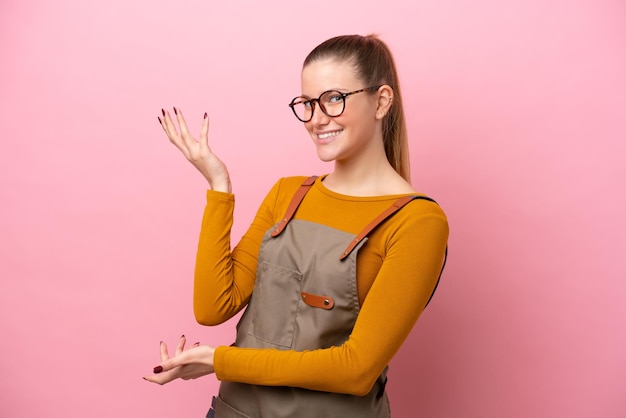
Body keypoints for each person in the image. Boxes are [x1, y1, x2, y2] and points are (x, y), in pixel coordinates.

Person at [144, 34, 449, 418]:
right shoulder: (288, 194)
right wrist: (219, 188)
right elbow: (212, 306)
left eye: (334, 98)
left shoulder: (417, 222)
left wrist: (221, 362)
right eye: (307, 103)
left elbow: (355, 370)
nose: (317, 119)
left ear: (381, 101)